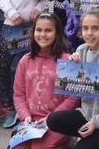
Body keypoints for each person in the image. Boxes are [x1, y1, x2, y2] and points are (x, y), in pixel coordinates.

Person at [46, 9, 99, 149]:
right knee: (52, 120)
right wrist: (73, 67)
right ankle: (96, 139)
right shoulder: (81, 50)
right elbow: (76, 90)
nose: (89, 33)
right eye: (85, 28)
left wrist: (95, 123)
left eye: (95, 28)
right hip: (87, 114)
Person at [12, 12, 78, 149]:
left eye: (48, 30)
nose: (42, 34)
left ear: (57, 33)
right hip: (30, 121)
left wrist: (51, 118)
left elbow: (72, 99)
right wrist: (25, 116)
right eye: (39, 30)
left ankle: (67, 143)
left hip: (56, 121)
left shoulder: (66, 60)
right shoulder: (25, 60)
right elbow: (19, 95)